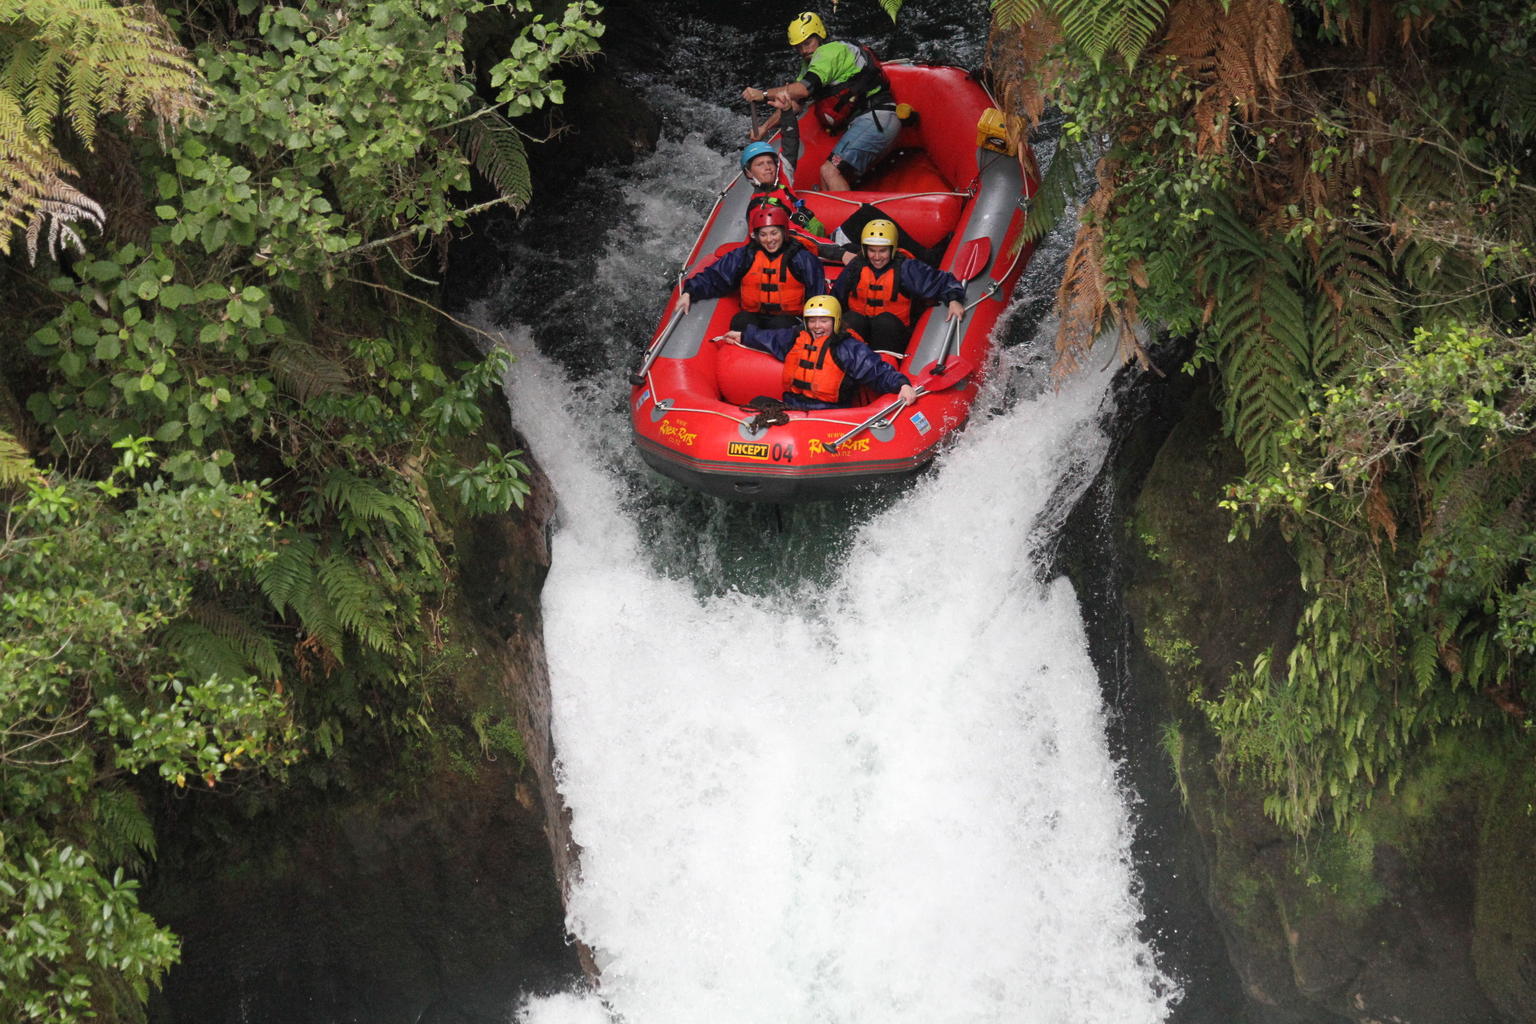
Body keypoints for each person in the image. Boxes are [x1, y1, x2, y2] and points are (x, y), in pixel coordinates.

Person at [741, 12, 900, 191]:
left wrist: (762, 94)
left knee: (829, 171)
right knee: (825, 179)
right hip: (867, 122)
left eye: (807, 43)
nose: (804, 51)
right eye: (799, 47)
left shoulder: (829, 53)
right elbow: (793, 102)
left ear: (820, 35)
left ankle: (852, 219)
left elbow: (802, 89)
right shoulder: (811, 63)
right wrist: (764, 128)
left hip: (877, 119)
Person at [720, 294, 916, 411]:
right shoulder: (797, 337)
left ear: (835, 321)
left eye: (824, 321)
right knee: (757, 403)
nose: (817, 326)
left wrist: (902, 384)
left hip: (828, 414)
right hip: (794, 408)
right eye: (812, 321)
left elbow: (876, 370)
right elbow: (771, 339)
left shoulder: (848, 347)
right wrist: (744, 336)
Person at [678, 204, 826, 331]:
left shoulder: (802, 259)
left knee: (780, 325)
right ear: (756, 236)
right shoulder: (745, 255)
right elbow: (716, 276)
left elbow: (817, 294)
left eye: (774, 233)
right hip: (754, 314)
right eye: (763, 235)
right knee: (740, 321)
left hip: (789, 318)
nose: (769, 240)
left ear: (784, 232)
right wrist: (690, 292)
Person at [831, 219, 966, 357]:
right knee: (851, 319)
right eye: (872, 251)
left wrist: (953, 300)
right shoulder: (855, 267)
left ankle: (887, 366)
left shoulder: (906, 268)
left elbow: (943, 281)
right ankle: (850, 361)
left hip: (893, 334)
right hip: (860, 333)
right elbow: (835, 299)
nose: (877, 257)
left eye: (882, 251)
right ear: (865, 249)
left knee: (885, 322)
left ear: (892, 248)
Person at [740, 140, 827, 237]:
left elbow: (791, 142)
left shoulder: (782, 184)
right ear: (749, 173)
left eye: (770, 162)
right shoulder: (761, 209)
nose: (768, 167)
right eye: (760, 164)